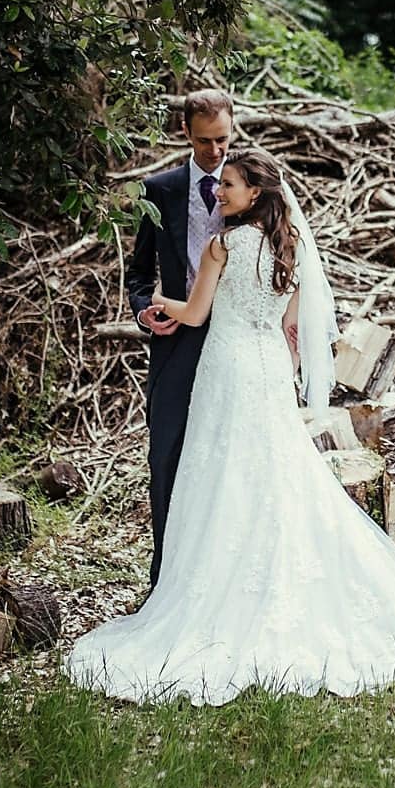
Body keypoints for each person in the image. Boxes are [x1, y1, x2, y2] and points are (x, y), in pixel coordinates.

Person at [68, 149, 395, 705]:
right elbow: (293, 329)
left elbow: (195, 316)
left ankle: (219, 592)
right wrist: (281, 369)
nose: (219, 192)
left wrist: (154, 306)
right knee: (277, 473)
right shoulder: (289, 247)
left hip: (226, 370)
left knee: (222, 474)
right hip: (267, 371)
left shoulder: (224, 245)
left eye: (230, 186)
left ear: (255, 194)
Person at [124, 89, 234, 589]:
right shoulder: (159, 189)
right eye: (206, 142)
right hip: (175, 341)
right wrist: (146, 313)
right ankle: (166, 578)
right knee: (166, 451)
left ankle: (223, 576)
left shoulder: (250, 188)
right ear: (186, 134)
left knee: (229, 456)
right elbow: (138, 274)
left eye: (224, 140)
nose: (216, 152)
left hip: (233, 340)